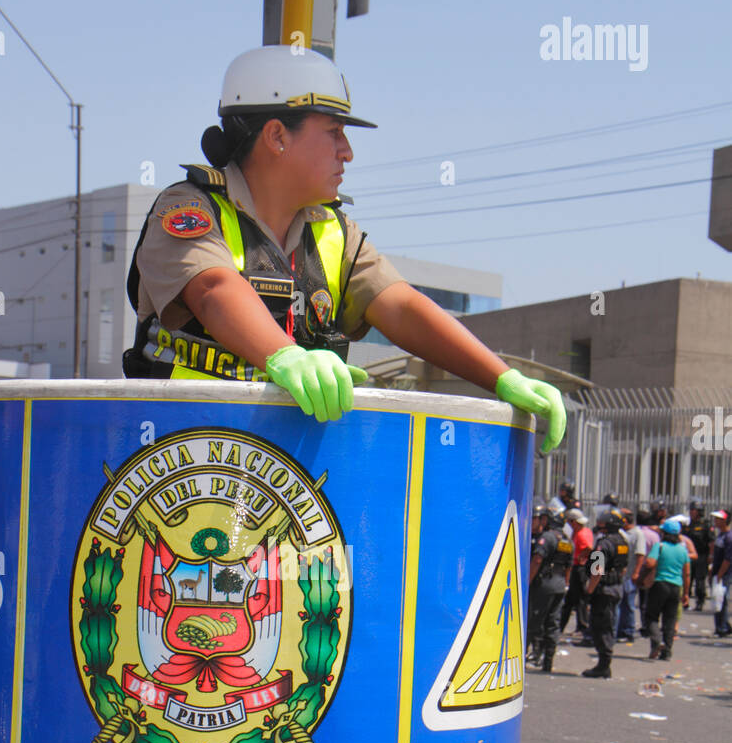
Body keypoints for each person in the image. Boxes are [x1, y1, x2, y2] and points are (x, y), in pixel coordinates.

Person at [123, 45, 567, 447]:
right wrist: (285, 356)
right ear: (277, 136)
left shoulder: (332, 230)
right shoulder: (188, 207)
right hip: (179, 456)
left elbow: (402, 307)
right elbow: (214, 289)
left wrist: (503, 379)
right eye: (334, 131)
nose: (348, 151)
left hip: (288, 472)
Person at [582, 509, 629, 678]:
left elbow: (597, 570)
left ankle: (603, 665)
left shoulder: (604, 543)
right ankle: (603, 663)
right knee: (607, 624)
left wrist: (589, 590)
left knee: (601, 626)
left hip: (604, 590)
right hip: (616, 587)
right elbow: (623, 569)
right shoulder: (623, 542)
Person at [527, 505, 572, 671]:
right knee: (553, 623)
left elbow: (537, 560)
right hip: (560, 585)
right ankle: (548, 661)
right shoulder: (566, 539)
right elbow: (569, 565)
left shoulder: (547, 537)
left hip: (544, 584)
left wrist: (527, 582)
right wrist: (566, 583)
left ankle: (527, 654)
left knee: (534, 621)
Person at [640, 518, 690, 660]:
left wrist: (642, 576)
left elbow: (650, 562)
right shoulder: (682, 549)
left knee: (651, 616)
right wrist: (686, 593)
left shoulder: (660, 546)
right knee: (670, 619)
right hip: (676, 586)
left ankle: (656, 641)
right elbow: (686, 573)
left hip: (660, 583)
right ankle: (667, 651)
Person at [559, 507, 592, 641]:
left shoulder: (581, 534)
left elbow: (589, 547)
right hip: (579, 568)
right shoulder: (585, 531)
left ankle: (582, 626)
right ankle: (564, 626)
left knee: (579, 600)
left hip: (579, 569)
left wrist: (580, 557)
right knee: (574, 599)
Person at [616, 508, 645, 645]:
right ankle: (617, 630)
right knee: (618, 604)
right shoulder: (619, 534)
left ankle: (627, 631)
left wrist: (636, 572)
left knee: (628, 603)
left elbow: (640, 555)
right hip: (616, 575)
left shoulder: (637, 534)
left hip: (628, 575)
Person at [710, 510, 732, 637]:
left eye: (718, 519)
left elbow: (728, 559)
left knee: (721, 599)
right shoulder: (721, 535)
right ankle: (722, 625)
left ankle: (722, 627)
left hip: (724, 574)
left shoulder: (729, 537)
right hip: (717, 572)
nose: (716, 521)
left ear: (725, 521)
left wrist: (720, 574)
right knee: (717, 599)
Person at [687, 502, 712, 611]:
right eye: (691, 509)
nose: (692, 512)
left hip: (701, 555)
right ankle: (685, 600)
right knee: (687, 577)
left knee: (700, 580)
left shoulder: (705, 524)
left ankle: (700, 602)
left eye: (694, 510)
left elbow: (711, 542)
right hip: (690, 555)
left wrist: (710, 555)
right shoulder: (689, 524)